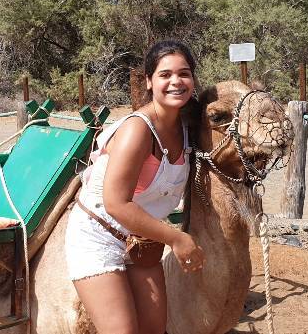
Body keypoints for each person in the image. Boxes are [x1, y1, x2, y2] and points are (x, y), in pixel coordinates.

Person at [64, 40, 204, 334]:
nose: (176, 81)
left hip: (143, 239)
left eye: (184, 73)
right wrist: (177, 239)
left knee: (154, 329)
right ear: (150, 81)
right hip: (99, 234)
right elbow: (116, 203)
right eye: (165, 75)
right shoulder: (137, 130)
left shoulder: (189, 129)